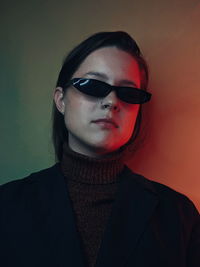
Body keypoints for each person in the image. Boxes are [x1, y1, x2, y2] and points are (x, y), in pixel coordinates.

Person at [0, 31, 199, 267]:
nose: (112, 102)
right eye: (93, 85)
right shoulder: (6, 206)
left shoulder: (178, 215)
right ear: (61, 100)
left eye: (128, 93)